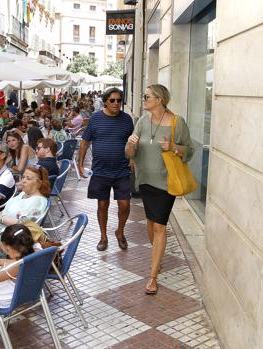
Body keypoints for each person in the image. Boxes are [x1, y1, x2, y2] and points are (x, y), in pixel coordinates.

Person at [125, 84, 193, 295]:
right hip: (145, 180)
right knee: (151, 222)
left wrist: (173, 147)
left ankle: (153, 276)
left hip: (166, 182)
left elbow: (189, 151)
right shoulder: (143, 121)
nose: (143, 99)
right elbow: (129, 153)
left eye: (147, 96)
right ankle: (158, 256)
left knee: (159, 227)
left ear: (159, 100)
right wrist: (130, 144)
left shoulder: (176, 122)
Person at [78, 87, 134, 252]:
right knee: (102, 205)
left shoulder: (127, 120)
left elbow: (132, 142)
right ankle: (103, 237)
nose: (116, 103)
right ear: (105, 102)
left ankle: (120, 232)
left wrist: (132, 158)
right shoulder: (95, 119)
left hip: (122, 170)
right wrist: (80, 164)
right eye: (112, 100)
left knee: (125, 204)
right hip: (100, 171)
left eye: (119, 100)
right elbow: (84, 142)